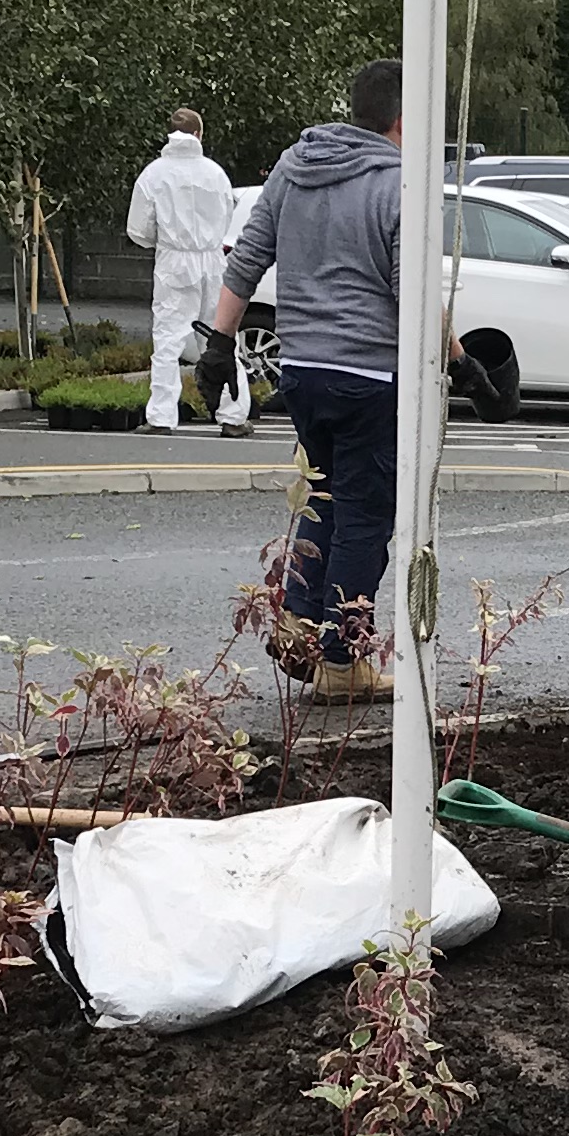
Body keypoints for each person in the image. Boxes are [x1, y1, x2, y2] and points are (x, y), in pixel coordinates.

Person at [210, 57, 413, 703]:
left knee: (324, 496)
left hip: (300, 371)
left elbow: (248, 257)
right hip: (367, 375)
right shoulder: (397, 183)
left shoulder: (296, 167)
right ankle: (343, 659)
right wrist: (461, 363)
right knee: (365, 516)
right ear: (404, 119)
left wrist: (218, 344)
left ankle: (299, 623)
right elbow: (409, 294)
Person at [127, 107, 246, 433]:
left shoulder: (154, 173)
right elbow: (226, 219)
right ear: (199, 134)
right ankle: (233, 415)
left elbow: (138, 230)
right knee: (220, 338)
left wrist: (165, 242)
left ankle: (162, 417)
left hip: (174, 262)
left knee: (168, 340)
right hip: (211, 259)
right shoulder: (215, 173)